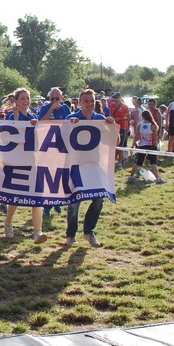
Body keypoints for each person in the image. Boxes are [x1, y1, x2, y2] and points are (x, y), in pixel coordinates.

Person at [65, 89, 116, 248]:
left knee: (99, 198)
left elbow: (115, 141)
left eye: (92, 101)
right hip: (76, 165)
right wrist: (69, 127)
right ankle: (71, 235)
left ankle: (89, 231)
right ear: (79, 103)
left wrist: (112, 127)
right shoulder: (71, 118)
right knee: (74, 201)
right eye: (86, 101)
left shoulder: (101, 120)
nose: (89, 104)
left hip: (95, 165)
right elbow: (60, 140)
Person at [2, 88, 46, 244]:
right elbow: (9, 137)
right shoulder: (10, 117)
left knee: (37, 197)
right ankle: (8, 223)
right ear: (16, 101)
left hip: (32, 161)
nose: (26, 101)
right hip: (17, 162)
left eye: (28, 98)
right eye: (23, 98)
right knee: (16, 197)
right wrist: (16, 119)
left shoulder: (34, 116)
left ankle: (37, 232)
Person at [38, 87, 72, 217]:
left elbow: (70, 124)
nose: (55, 101)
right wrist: (51, 109)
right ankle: (47, 205)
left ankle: (57, 201)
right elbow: (41, 123)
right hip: (47, 148)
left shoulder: (65, 109)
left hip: (62, 147)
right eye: (52, 99)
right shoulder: (44, 108)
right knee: (48, 177)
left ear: (62, 98)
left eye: (57, 98)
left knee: (60, 176)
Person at [127, 110, 166, 184]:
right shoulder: (153, 125)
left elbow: (136, 137)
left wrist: (132, 145)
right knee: (153, 163)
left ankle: (131, 176)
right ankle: (158, 178)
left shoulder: (139, 125)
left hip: (142, 146)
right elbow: (155, 138)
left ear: (143, 117)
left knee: (138, 162)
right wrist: (156, 147)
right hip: (151, 146)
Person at [109, 92, 130, 170]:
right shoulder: (112, 105)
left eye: (116, 98)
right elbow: (110, 115)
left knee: (120, 146)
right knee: (113, 145)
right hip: (113, 127)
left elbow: (128, 118)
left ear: (120, 98)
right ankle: (112, 161)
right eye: (114, 97)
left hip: (122, 127)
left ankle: (120, 163)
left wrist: (119, 119)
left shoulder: (125, 107)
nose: (115, 99)